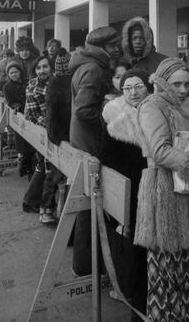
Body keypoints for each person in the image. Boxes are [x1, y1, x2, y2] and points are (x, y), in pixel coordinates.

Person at [134, 57, 189, 322]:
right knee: (164, 278)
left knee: (188, 274)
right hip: (163, 196)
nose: (183, 90)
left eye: (186, 83)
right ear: (162, 83)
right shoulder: (152, 106)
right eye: (176, 84)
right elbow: (160, 151)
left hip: (188, 194)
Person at [69, 26, 121, 275]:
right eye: (113, 45)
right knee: (89, 207)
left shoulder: (87, 65)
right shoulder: (93, 69)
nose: (117, 49)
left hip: (83, 142)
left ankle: (85, 263)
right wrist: (109, 113)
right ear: (102, 48)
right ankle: (85, 265)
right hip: (90, 145)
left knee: (87, 206)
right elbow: (83, 110)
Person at [102, 67, 152, 319]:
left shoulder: (157, 112)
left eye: (138, 86)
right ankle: (135, 292)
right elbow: (109, 159)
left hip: (155, 189)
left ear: (147, 87)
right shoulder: (113, 118)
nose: (133, 92)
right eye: (127, 88)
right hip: (131, 193)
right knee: (136, 244)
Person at [22, 55, 57, 224]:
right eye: (38, 68)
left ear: (51, 67)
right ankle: (43, 207)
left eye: (45, 67)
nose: (42, 70)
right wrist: (49, 127)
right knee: (47, 167)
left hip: (57, 131)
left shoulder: (58, 82)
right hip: (43, 131)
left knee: (43, 166)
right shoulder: (32, 88)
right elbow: (34, 114)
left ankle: (30, 201)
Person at [2, 59, 34, 178]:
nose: (14, 74)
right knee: (22, 144)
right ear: (8, 75)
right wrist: (17, 106)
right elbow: (10, 101)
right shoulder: (7, 87)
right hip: (19, 116)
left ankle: (31, 168)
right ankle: (23, 166)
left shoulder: (27, 82)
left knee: (32, 143)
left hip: (30, 113)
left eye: (16, 72)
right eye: (11, 73)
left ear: (20, 72)